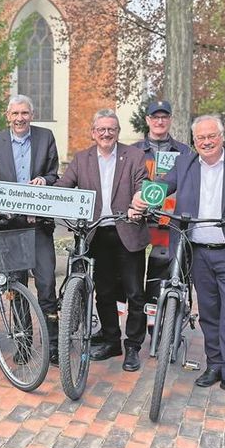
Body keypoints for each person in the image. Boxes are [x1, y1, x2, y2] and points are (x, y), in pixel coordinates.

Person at [133, 115, 225, 401]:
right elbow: (161, 188)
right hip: (198, 253)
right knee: (209, 314)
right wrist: (141, 198)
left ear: (222, 137)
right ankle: (215, 365)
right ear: (194, 141)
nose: (206, 142)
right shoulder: (185, 163)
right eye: (200, 138)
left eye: (211, 137)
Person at [55, 109, 149, 372]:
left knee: (134, 293)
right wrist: (46, 194)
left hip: (128, 230)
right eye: (101, 129)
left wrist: (139, 201)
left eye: (112, 129)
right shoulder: (81, 159)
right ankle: (111, 340)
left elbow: (142, 185)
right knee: (104, 292)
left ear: (117, 132)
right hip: (97, 233)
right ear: (93, 133)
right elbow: (64, 186)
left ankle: (133, 346)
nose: (106, 133)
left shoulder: (134, 155)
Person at [0, 95, 61, 364]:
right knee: (15, 288)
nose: (20, 118)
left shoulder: (45, 137)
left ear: (32, 114)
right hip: (9, 226)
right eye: (15, 113)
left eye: (25, 113)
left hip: (38, 224)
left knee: (47, 286)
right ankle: (24, 343)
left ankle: (52, 345)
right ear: (7, 116)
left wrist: (45, 179)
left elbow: (54, 174)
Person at [131, 100, 192, 346]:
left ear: (170, 119)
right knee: (141, 277)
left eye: (164, 117)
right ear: (147, 120)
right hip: (142, 220)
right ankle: (151, 323)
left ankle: (169, 325)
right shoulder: (135, 150)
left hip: (169, 220)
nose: (159, 121)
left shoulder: (184, 151)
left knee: (166, 267)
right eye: (154, 117)